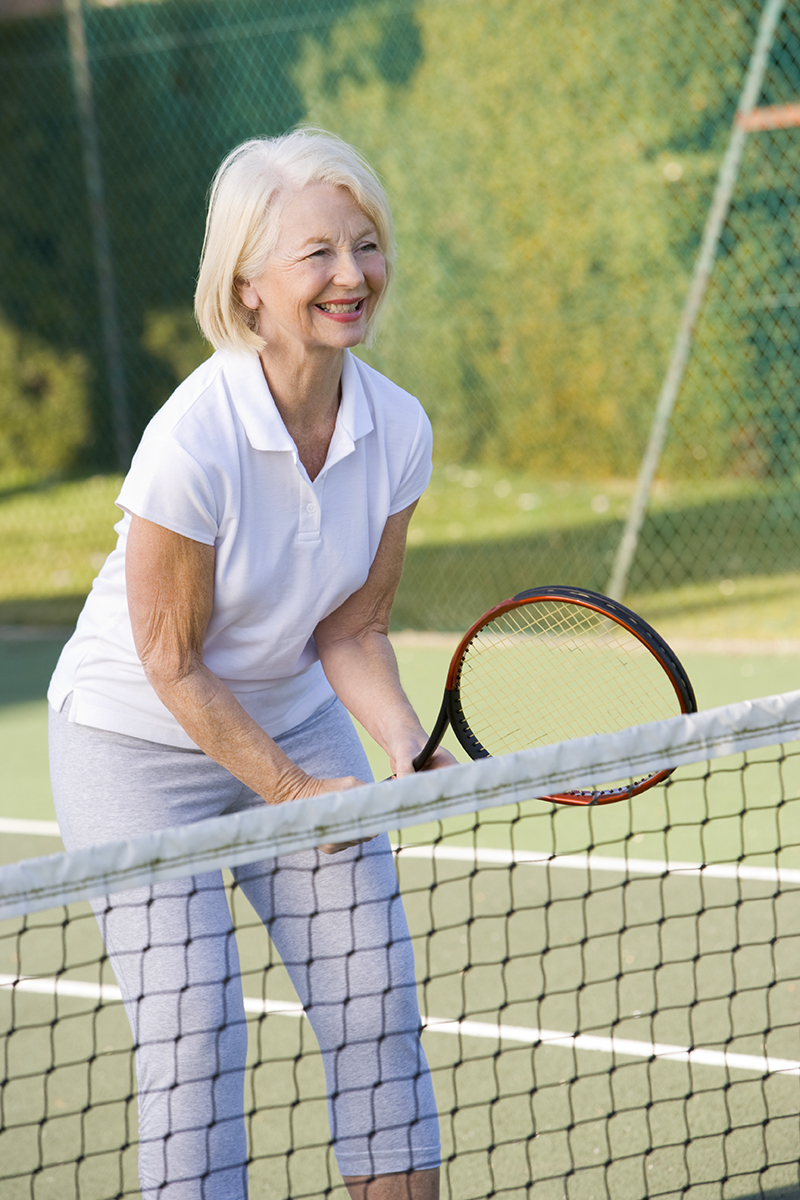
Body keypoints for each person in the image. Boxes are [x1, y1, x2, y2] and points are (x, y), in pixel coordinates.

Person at [47, 128, 454, 1200]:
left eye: (364, 245)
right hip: (134, 740)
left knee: (374, 1003)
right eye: (315, 252)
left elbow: (350, 630)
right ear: (248, 285)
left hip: (295, 710)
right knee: (191, 1034)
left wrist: (408, 746)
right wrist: (291, 792)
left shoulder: (397, 427)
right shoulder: (193, 439)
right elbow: (168, 658)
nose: (349, 274)